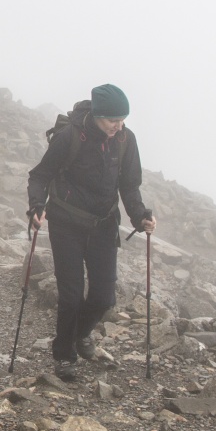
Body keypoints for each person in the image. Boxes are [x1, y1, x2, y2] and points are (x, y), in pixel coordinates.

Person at [26, 83, 154, 378]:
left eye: (122, 120)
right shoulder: (70, 136)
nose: (118, 126)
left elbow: (129, 185)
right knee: (70, 297)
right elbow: (40, 176)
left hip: (103, 225)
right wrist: (36, 206)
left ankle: (80, 334)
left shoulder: (125, 140)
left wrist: (140, 216)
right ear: (97, 116)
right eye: (112, 120)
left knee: (104, 297)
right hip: (66, 224)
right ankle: (64, 356)